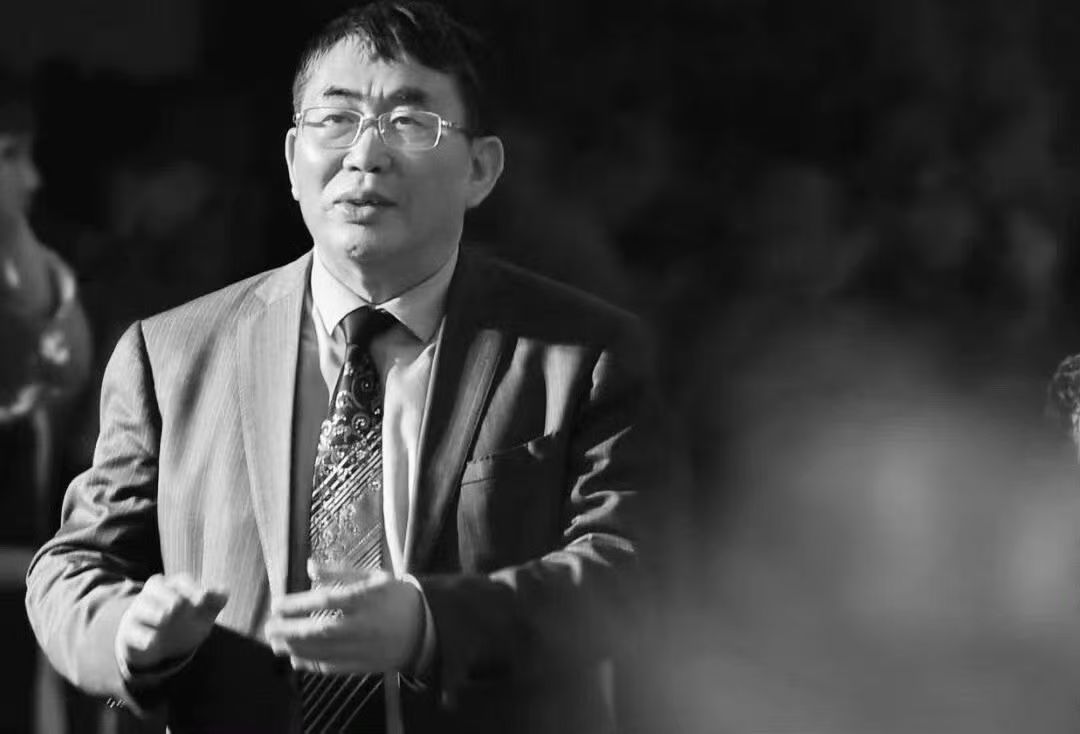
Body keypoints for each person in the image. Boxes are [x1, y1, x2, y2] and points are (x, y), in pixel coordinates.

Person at [26, 3, 666, 732]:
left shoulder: (581, 354)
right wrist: (127, 633)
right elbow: (72, 567)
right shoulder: (170, 355)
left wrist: (429, 623)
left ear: (480, 168)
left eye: (410, 122)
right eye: (336, 120)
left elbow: (635, 571)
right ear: (292, 160)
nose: (366, 154)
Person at [0, 69, 93, 734]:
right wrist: (54, 567)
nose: (32, 179)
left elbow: (67, 366)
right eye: (10, 156)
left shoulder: (34, 275)